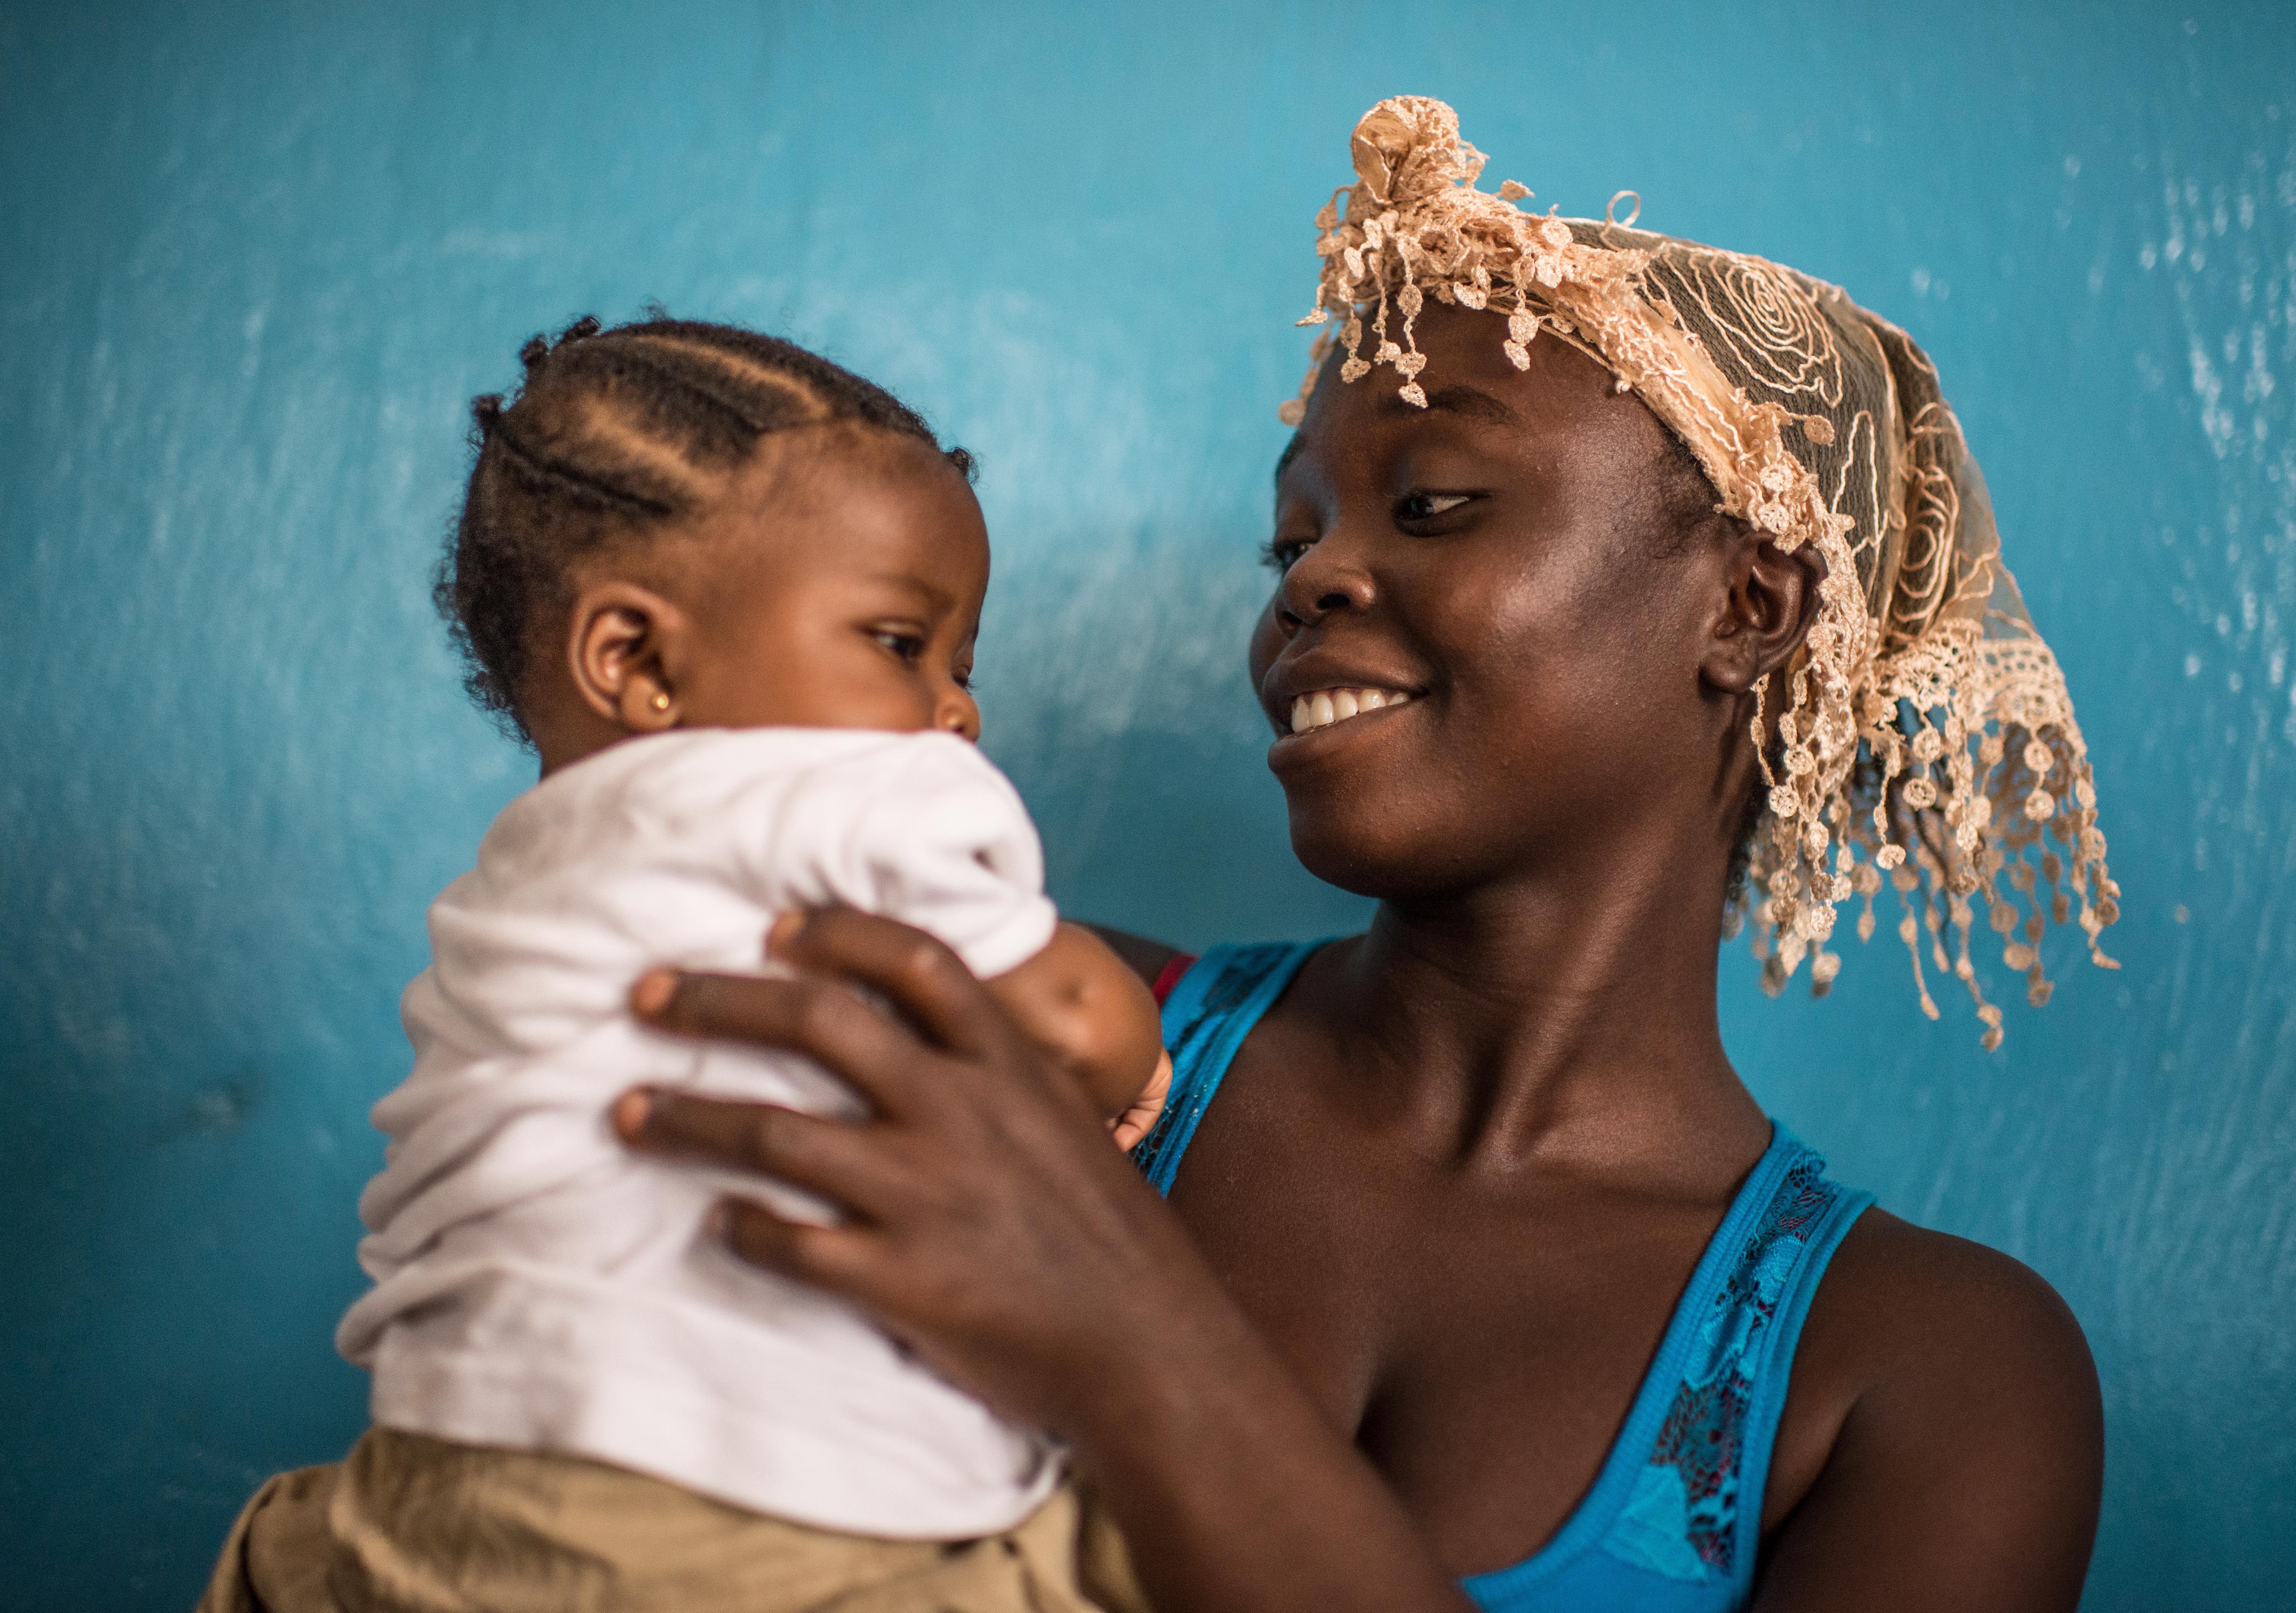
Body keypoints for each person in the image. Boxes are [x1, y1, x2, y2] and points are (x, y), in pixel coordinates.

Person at [608, 98, 2117, 1613]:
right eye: (1295, 539)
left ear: (1749, 609)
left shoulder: (1931, 1376)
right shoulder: (1038, 1033)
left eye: (1435, 504)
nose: (1316, 576)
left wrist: (1132, 1343)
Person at [200, 317, 1167, 1613]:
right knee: (1159, 1536)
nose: (955, 710)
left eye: (959, 664)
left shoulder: (509, 889)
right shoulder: (858, 797)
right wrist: (1130, 1071)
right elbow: (1078, 1016)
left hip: (456, 1458)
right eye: (899, 643)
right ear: (638, 662)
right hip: (744, 1493)